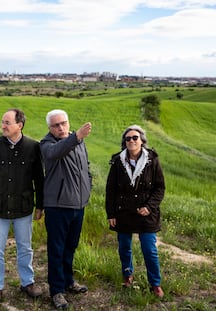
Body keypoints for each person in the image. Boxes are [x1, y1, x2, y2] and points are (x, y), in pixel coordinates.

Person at [0, 108, 44, 304]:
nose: (3, 126)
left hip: (23, 208)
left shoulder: (33, 147)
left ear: (19, 125)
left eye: (7, 122)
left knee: (25, 248)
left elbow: (39, 179)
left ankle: (27, 283)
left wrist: (41, 205)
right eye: (2, 122)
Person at [38, 109, 92, 309]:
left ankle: (69, 281)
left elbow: (85, 167)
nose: (61, 128)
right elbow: (56, 152)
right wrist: (77, 136)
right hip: (58, 207)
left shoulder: (77, 141)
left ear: (68, 123)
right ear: (49, 128)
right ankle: (57, 291)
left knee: (71, 247)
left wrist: (88, 189)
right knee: (56, 250)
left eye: (63, 123)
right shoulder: (46, 144)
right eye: (56, 125)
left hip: (78, 205)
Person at [105, 125, 165, 298]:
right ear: (124, 142)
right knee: (124, 247)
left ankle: (155, 283)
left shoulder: (152, 160)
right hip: (123, 211)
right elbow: (110, 190)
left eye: (135, 138)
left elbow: (160, 188)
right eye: (128, 138)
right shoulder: (117, 161)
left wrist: (150, 206)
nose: (131, 141)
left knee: (149, 249)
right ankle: (127, 275)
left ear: (142, 141)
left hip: (146, 212)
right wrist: (111, 214)